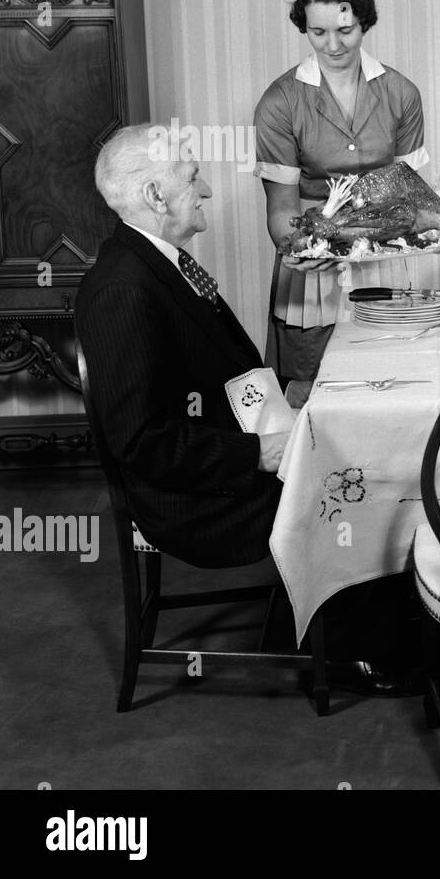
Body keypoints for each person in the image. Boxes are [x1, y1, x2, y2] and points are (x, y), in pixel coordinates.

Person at [76, 126, 290, 568]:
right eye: (194, 178)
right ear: (156, 196)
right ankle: (350, 623)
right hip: (195, 505)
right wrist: (260, 454)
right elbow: (141, 442)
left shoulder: (158, 262)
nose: (206, 191)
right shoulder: (123, 289)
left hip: (220, 462)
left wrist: (286, 395)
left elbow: (220, 374)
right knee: (355, 489)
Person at [253, 0, 430, 395]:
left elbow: (414, 189)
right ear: (304, 29)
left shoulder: (401, 93)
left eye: (345, 30)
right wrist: (296, 247)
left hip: (387, 256)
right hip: (316, 261)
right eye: (318, 32)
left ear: (364, 23)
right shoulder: (280, 103)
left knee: (392, 384)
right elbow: (281, 206)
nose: (332, 45)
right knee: (312, 391)